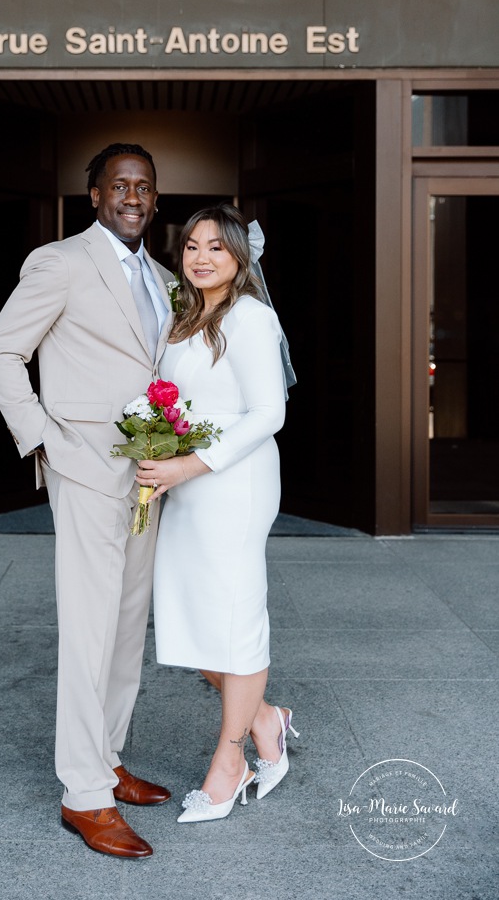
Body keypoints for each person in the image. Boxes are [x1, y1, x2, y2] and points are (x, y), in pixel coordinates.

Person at [0, 143, 174, 859]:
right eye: (118, 184)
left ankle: (108, 759)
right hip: (86, 468)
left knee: (126, 628)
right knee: (91, 630)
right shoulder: (59, 262)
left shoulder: (160, 276)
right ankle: (82, 796)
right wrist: (41, 440)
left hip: (146, 473)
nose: (132, 195)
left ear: (155, 199)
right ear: (93, 195)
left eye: (144, 186)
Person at [136, 205, 299, 824]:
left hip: (234, 483)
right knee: (189, 612)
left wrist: (187, 465)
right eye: (193, 247)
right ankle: (264, 718)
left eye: (217, 249)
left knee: (234, 615)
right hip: (188, 484)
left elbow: (268, 414)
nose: (201, 258)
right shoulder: (184, 317)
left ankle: (231, 760)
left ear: (240, 259)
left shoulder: (252, 318)